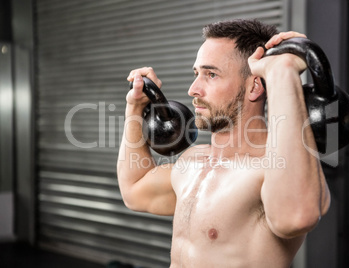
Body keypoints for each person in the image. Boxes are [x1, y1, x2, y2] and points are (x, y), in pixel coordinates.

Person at [117, 19, 330, 267]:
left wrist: (281, 72)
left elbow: (297, 216)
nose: (193, 89)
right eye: (196, 74)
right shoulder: (193, 160)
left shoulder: (273, 169)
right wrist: (135, 108)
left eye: (211, 74)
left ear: (255, 86)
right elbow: (134, 190)